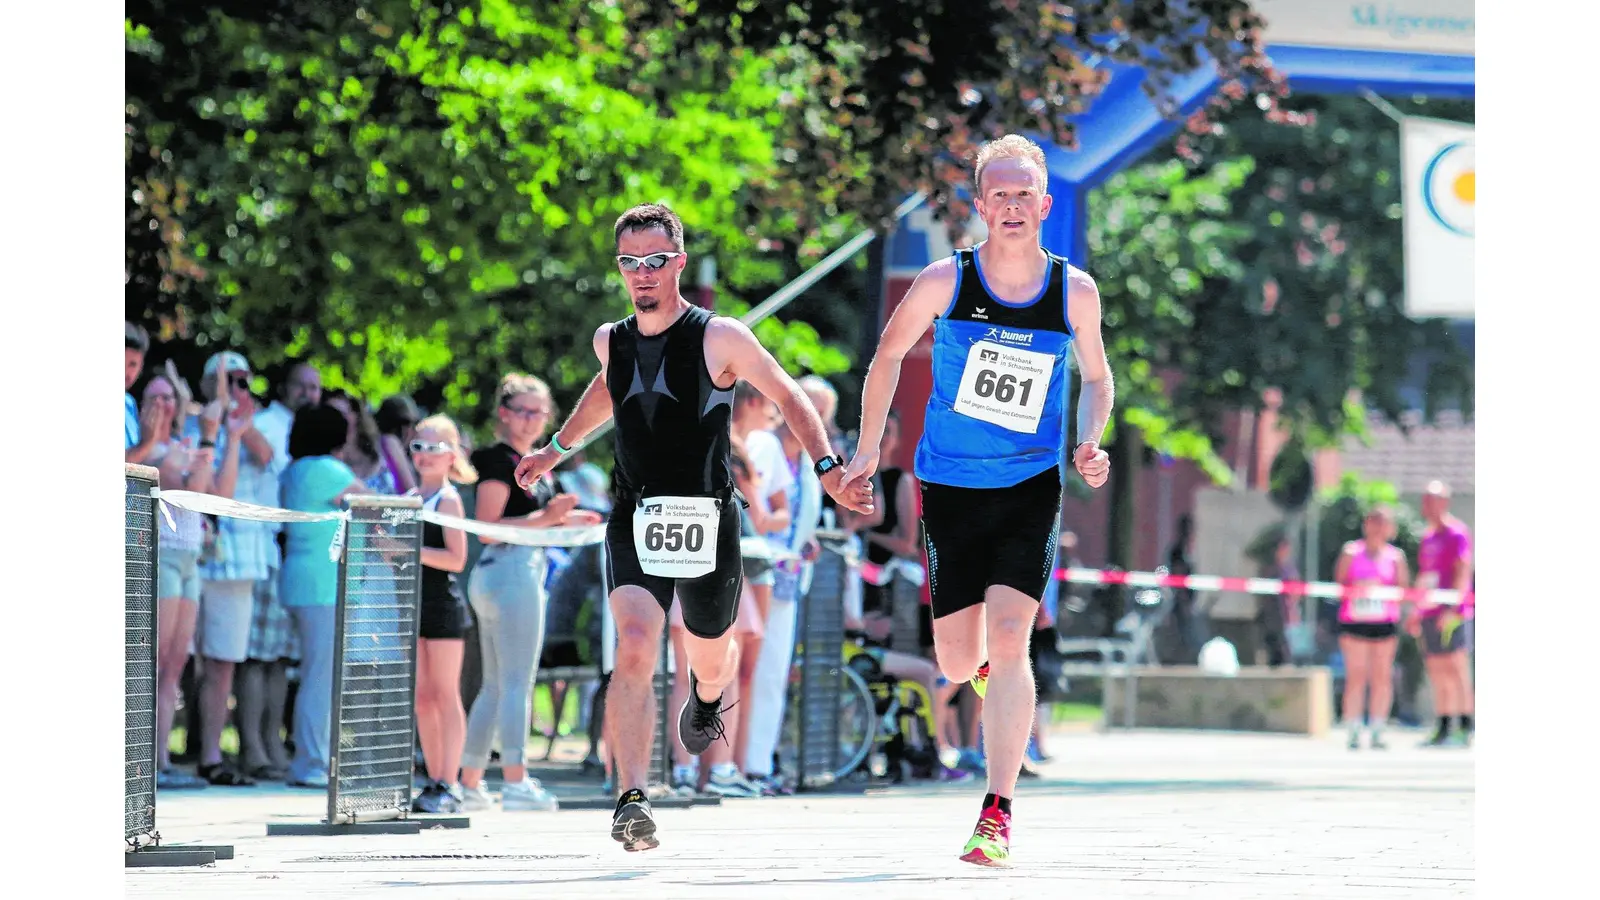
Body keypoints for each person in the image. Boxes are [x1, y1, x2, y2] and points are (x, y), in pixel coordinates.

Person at [513, 202, 872, 851]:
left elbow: (788, 394)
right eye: (630, 263)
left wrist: (826, 468)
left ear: (677, 261)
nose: (642, 274)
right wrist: (555, 448)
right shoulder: (610, 339)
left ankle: (707, 697)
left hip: (708, 516)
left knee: (709, 656)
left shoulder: (720, 337)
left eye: (654, 261)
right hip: (635, 513)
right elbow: (607, 387)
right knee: (636, 645)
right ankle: (632, 799)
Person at [840, 134, 1114, 867]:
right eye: (1000, 194)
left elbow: (1100, 377)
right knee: (959, 661)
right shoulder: (944, 281)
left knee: (1012, 641)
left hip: (1029, 485)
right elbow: (888, 356)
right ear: (981, 205)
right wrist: (868, 451)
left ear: (1045, 204)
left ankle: (996, 813)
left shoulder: (1072, 291)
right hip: (951, 486)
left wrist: (1089, 441)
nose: (1013, 206)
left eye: (1025, 194)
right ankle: (998, 687)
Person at [458, 374, 601, 812]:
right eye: (522, 410)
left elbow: (547, 519)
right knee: (516, 683)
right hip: (509, 573)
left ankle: (470, 782)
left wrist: (576, 520)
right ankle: (517, 781)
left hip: (517, 572)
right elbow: (489, 527)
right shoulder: (498, 460)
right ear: (503, 413)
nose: (531, 420)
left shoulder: (539, 462)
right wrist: (546, 519)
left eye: (539, 412)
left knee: (497, 685)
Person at [279, 401, 369, 788]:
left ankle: (313, 759)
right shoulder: (327, 469)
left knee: (313, 674)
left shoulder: (295, 470)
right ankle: (312, 763)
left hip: (303, 581)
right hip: (323, 585)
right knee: (320, 677)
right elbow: (372, 502)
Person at [407, 415, 478, 813]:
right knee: (422, 697)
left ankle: (450, 783)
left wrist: (408, 551)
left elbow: (456, 558)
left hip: (445, 609)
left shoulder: (448, 500)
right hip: (414, 606)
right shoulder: (411, 496)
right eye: (418, 447)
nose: (424, 456)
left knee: (445, 694)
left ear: (451, 455)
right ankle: (434, 780)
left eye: (434, 448)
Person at [1333, 506, 1410, 750]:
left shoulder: (1396, 557)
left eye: (1383, 523)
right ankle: (1354, 728)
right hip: (1355, 620)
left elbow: (1403, 589)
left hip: (1384, 621)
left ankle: (1377, 728)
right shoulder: (1351, 552)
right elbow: (1340, 583)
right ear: (1366, 525)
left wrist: (1383, 591)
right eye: (1374, 522)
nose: (1378, 528)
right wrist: (1360, 587)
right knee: (1356, 675)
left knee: (1381, 676)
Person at [1413, 481, 1474, 747]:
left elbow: (1462, 571)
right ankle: (1444, 724)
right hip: (1430, 610)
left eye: (1433, 499)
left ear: (1444, 502)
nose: (1427, 505)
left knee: (1456, 667)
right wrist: (1417, 609)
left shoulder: (1456, 533)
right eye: (1425, 499)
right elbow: (1425, 576)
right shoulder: (1427, 536)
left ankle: (1465, 724)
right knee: (1436, 669)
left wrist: (1452, 608)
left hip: (1452, 613)